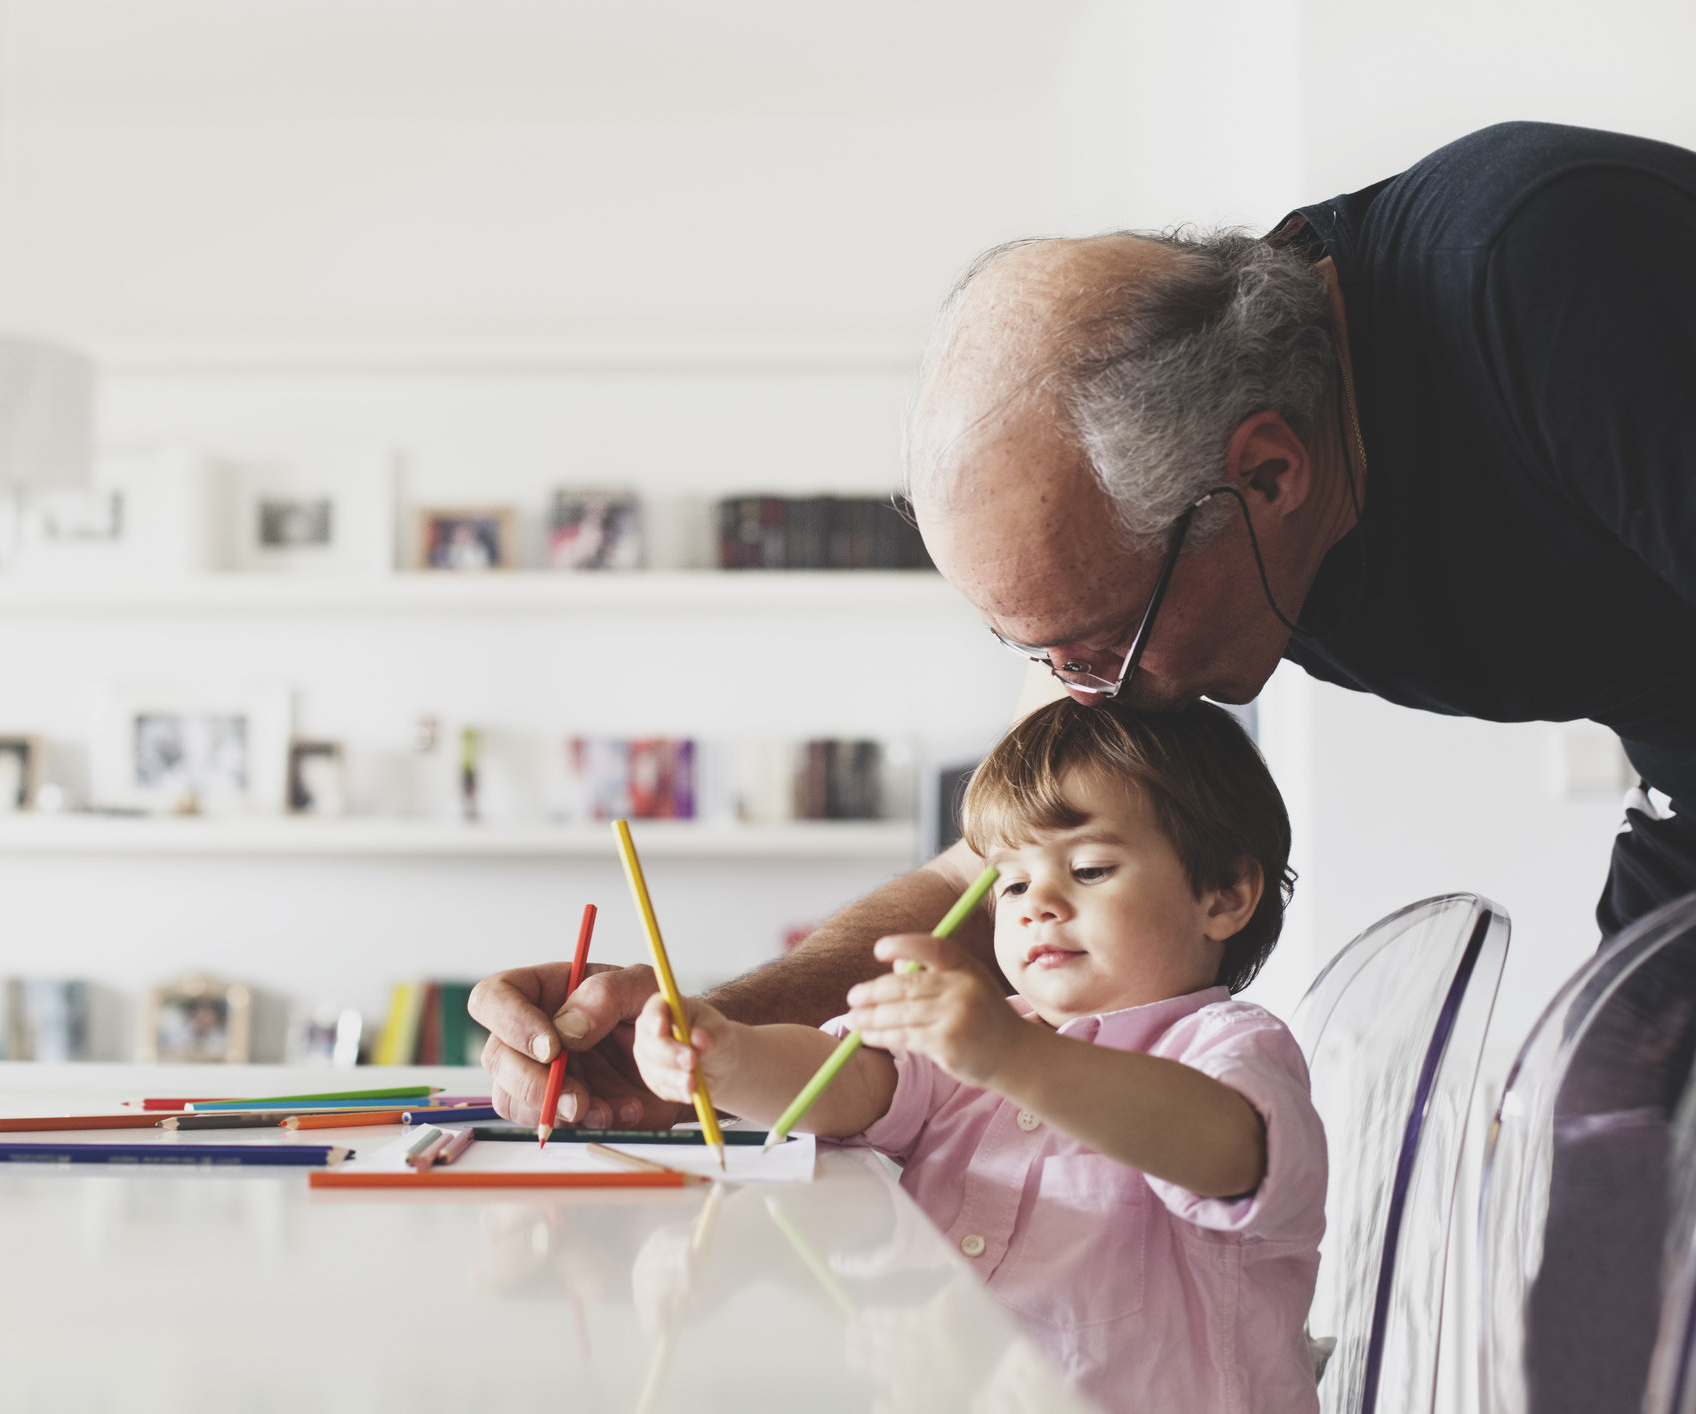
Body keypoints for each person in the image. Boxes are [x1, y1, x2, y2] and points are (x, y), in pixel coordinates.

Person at [470, 119, 1696, 1134]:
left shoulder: (1557, 280)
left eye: (1100, 639)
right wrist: (687, 1035)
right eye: (1040, 651)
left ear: (1268, 475)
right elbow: (980, 871)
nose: (1089, 695)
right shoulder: (1178, 522)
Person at [633, 699, 1323, 1414]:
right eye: (1013, 882)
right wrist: (728, 1054)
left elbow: (1228, 1153)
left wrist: (1010, 1058)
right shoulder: (982, 1037)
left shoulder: (1229, 1045)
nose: (1037, 903)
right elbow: (848, 1082)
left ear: (1224, 896)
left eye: (1088, 869)